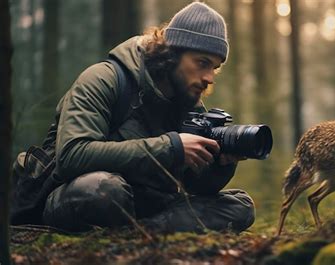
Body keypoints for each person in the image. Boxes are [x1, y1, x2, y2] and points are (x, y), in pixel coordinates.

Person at [12, 2, 255, 233]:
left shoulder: (188, 104)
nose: (210, 77)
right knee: (104, 191)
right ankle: (149, 230)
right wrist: (172, 147)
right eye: (202, 63)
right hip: (77, 195)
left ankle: (145, 231)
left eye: (215, 67)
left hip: (148, 206)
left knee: (240, 206)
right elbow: (72, 156)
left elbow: (195, 186)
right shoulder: (104, 79)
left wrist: (221, 165)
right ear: (171, 54)